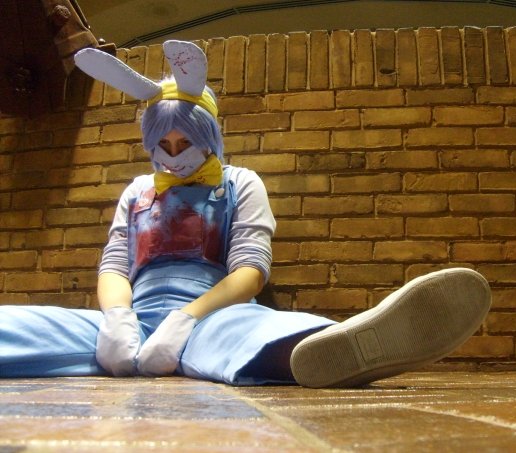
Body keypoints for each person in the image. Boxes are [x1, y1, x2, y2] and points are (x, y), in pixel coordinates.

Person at [0, 41, 491, 388]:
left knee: (254, 335)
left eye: (185, 142)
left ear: (209, 136)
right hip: (130, 323)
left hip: (213, 317)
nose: (173, 155)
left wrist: (186, 319)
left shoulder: (240, 182)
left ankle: (348, 346)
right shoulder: (138, 189)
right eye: (162, 145)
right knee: (20, 325)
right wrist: (116, 319)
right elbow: (113, 266)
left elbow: (251, 273)